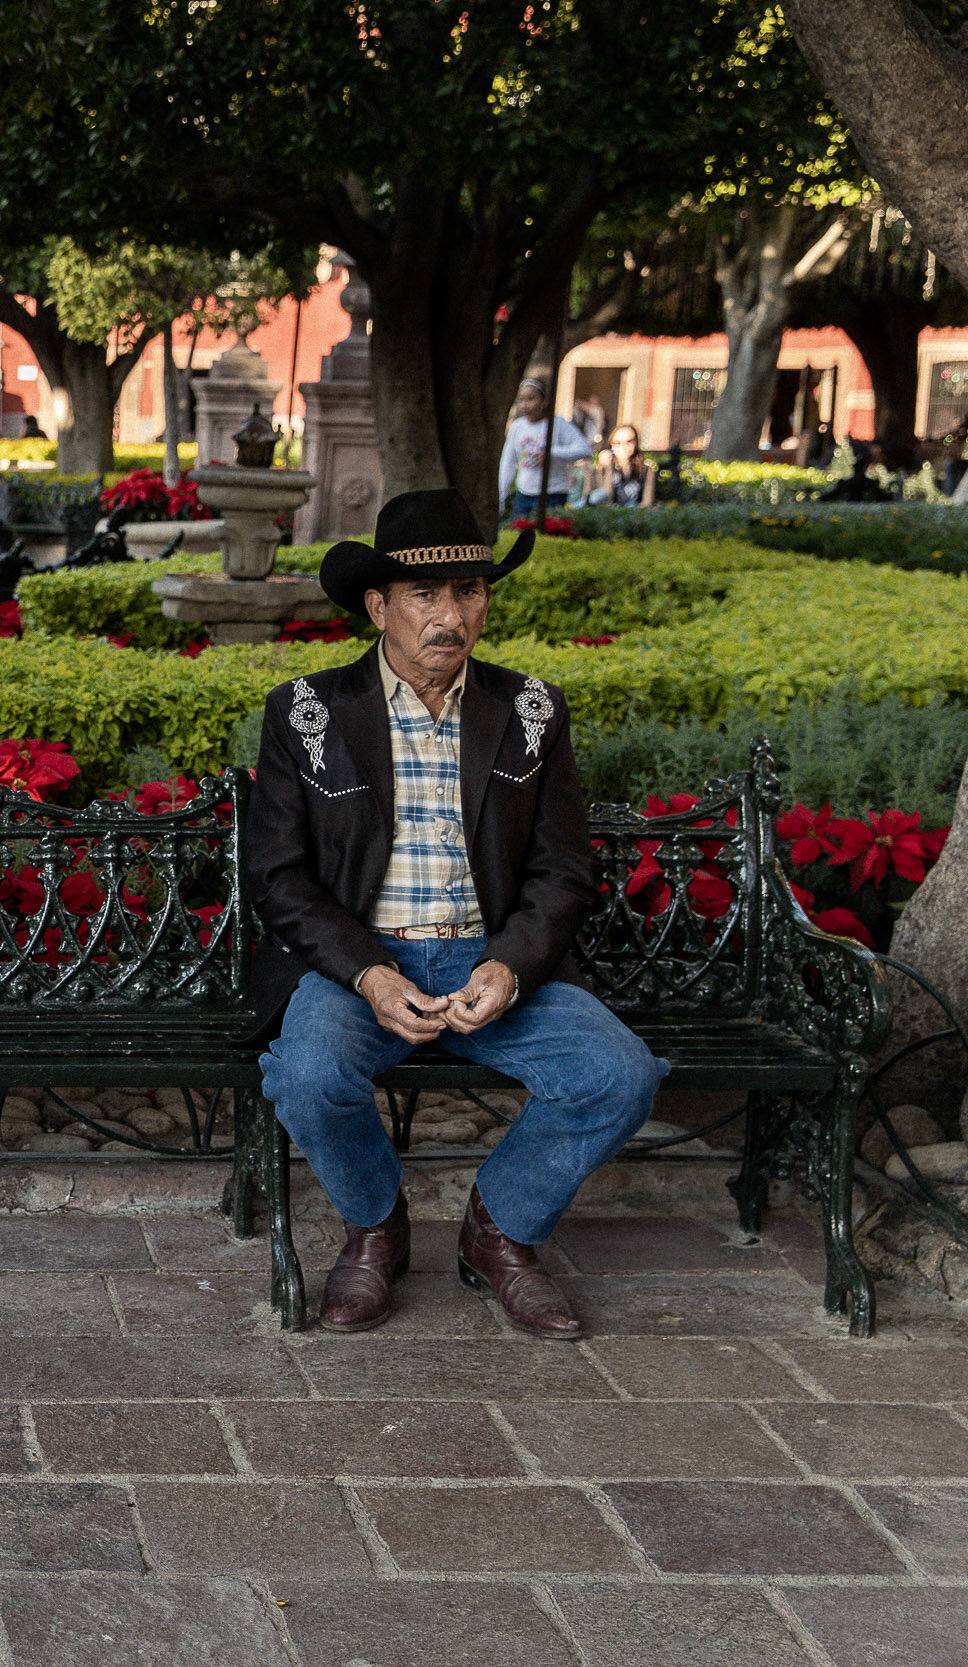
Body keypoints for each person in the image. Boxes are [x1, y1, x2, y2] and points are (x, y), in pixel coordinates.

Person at [243, 488, 666, 1340]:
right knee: (308, 1077)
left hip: (490, 961)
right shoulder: (308, 712)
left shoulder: (531, 712)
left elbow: (561, 868)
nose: (452, 615)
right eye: (425, 596)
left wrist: (510, 964)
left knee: (622, 1073)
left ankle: (500, 1228)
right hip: (362, 966)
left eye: (469, 591)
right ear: (379, 606)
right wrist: (367, 971)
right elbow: (280, 877)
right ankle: (375, 1227)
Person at [496, 378, 592, 522]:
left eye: (531, 399)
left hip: (553, 494)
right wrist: (501, 494)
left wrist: (552, 453)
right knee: (519, 535)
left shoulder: (558, 424)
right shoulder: (517, 427)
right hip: (524, 493)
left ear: (544, 401)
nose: (524, 404)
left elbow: (584, 450)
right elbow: (508, 461)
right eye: (521, 400)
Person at [585, 424, 655, 507]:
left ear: (636, 443)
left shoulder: (645, 469)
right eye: (617, 443)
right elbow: (604, 497)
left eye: (629, 441)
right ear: (611, 444)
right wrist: (607, 468)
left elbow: (647, 502)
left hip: (633, 513)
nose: (623, 446)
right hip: (607, 514)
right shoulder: (601, 467)